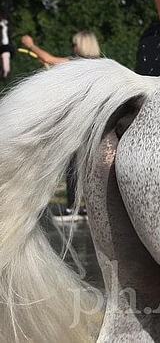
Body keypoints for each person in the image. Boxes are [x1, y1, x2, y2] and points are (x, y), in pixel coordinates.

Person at [20, 30, 102, 216]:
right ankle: (91, 209)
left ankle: (72, 208)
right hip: (95, 124)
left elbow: (49, 58)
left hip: (78, 125)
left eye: (74, 44)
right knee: (91, 169)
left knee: (73, 168)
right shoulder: (100, 66)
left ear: (80, 45)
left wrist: (30, 45)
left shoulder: (75, 64)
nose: (72, 48)